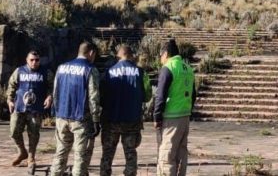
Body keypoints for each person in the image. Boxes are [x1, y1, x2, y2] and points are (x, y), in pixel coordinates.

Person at [101, 44, 153, 176]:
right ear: (131, 56)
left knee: (107, 153)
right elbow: (147, 96)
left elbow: (100, 95)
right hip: (132, 120)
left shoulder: (108, 72)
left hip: (111, 120)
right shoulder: (141, 73)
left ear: (118, 56)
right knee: (130, 153)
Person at [51, 41, 102, 176]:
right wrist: (96, 119)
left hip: (62, 116)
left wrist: (56, 112)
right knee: (80, 156)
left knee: (60, 153)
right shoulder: (90, 70)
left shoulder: (61, 68)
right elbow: (93, 96)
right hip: (81, 118)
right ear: (91, 53)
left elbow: (55, 92)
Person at [153, 39, 196, 176]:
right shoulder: (188, 68)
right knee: (181, 155)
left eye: (161, 56)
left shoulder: (168, 68)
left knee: (167, 155)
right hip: (185, 117)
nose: (160, 59)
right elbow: (193, 94)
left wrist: (157, 116)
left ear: (165, 54)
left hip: (171, 118)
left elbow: (160, 95)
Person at [6, 50, 53, 168]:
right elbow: (12, 85)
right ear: (27, 60)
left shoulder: (46, 72)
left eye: (37, 60)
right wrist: (10, 100)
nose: (34, 62)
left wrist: (50, 97)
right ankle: (22, 152)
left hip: (36, 109)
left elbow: (53, 87)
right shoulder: (19, 71)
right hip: (20, 107)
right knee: (14, 131)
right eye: (32, 60)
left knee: (33, 134)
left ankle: (31, 157)